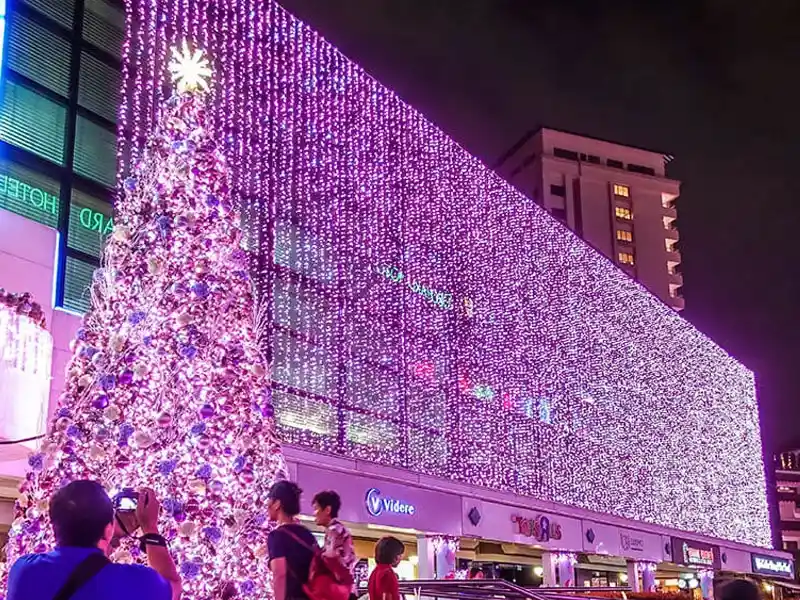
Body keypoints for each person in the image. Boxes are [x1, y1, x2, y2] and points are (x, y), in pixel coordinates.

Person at [7, 480, 181, 600]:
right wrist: (150, 528)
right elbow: (173, 586)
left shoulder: (23, 570)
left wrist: (110, 535)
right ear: (108, 530)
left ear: (54, 526)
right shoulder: (136, 581)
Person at [267, 480, 318, 600]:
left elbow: (280, 574)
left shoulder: (277, 536)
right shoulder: (307, 534)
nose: (267, 505)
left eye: (269, 500)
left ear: (277, 504)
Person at [312, 490, 357, 600]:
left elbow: (332, 558)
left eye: (316, 509)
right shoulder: (338, 529)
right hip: (346, 591)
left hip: (340, 592)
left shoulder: (334, 530)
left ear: (327, 510)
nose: (314, 513)